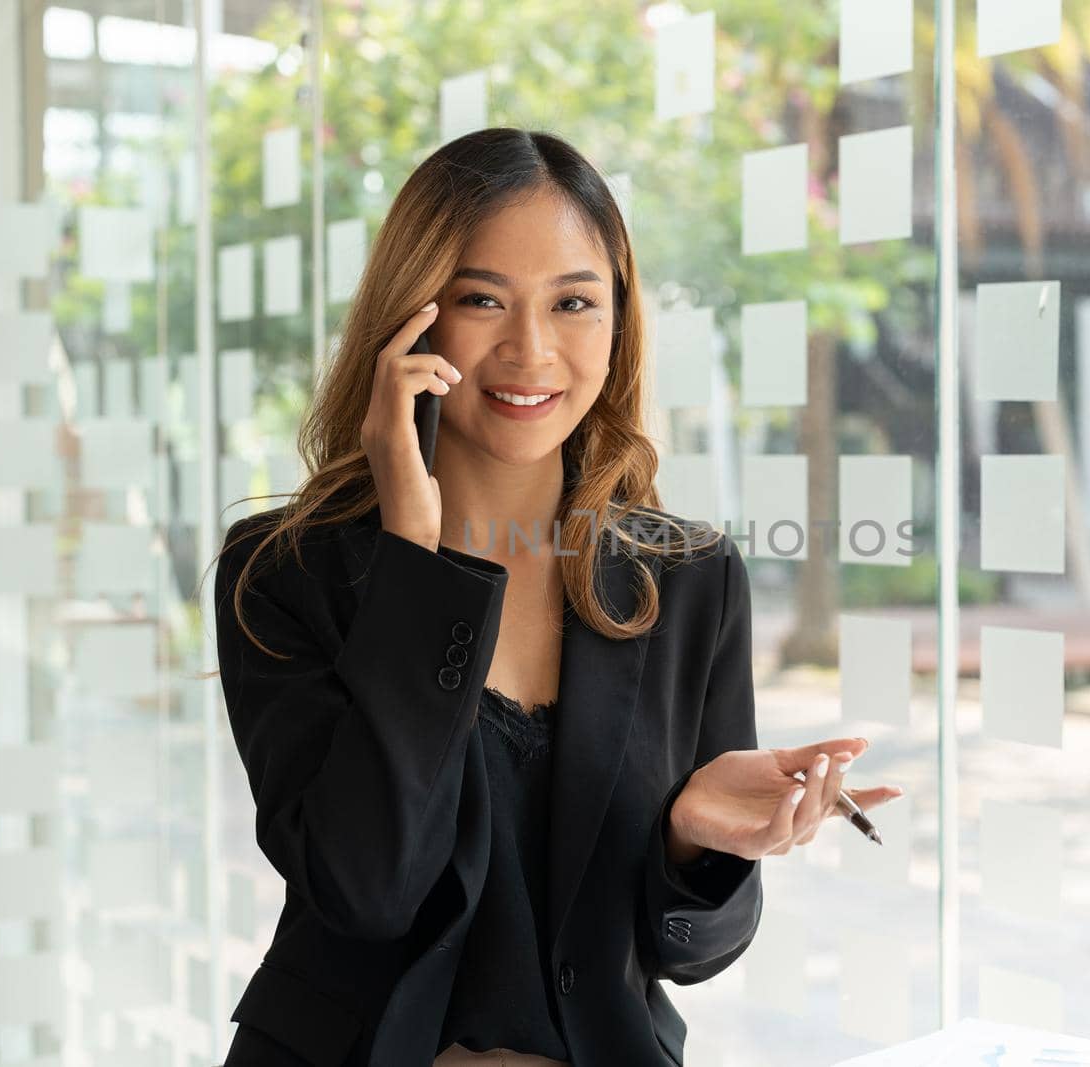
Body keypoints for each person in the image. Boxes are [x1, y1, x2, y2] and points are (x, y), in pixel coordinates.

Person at [208, 127, 904, 1067]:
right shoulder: (283, 572)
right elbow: (365, 891)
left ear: (617, 326)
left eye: (574, 302)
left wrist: (694, 844)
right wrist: (414, 556)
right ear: (410, 322)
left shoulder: (689, 578)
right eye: (482, 298)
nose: (530, 350)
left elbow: (688, 953)